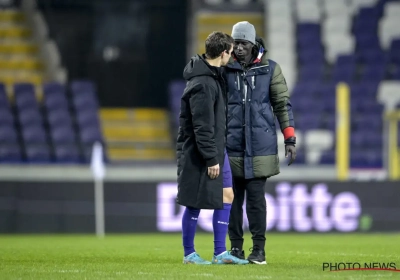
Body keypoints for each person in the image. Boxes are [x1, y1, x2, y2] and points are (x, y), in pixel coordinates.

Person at [224, 21, 297, 265]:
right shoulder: (225, 69)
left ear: (254, 44)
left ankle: (259, 250)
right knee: (232, 202)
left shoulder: (271, 69)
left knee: (256, 202)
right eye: (236, 44)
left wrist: (289, 138)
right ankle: (235, 249)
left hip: (260, 148)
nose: (239, 49)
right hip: (232, 146)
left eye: (244, 44)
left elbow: (282, 105)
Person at [176, 31, 249, 265]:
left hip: (218, 148)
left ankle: (220, 253)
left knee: (227, 194)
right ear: (222, 53)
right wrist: (211, 158)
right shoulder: (203, 83)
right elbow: (201, 126)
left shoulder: (213, 75)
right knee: (194, 202)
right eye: (230, 51)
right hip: (202, 151)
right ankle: (189, 254)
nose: (233, 55)